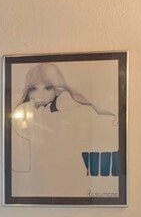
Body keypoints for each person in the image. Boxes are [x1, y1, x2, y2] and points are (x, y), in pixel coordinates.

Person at [10, 62, 119, 198]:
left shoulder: (65, 108)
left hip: (69, 172)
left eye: (48, 88)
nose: (40, 94)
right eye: (34, 88)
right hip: (38, 175)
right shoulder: (24, 113)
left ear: (56, 89)